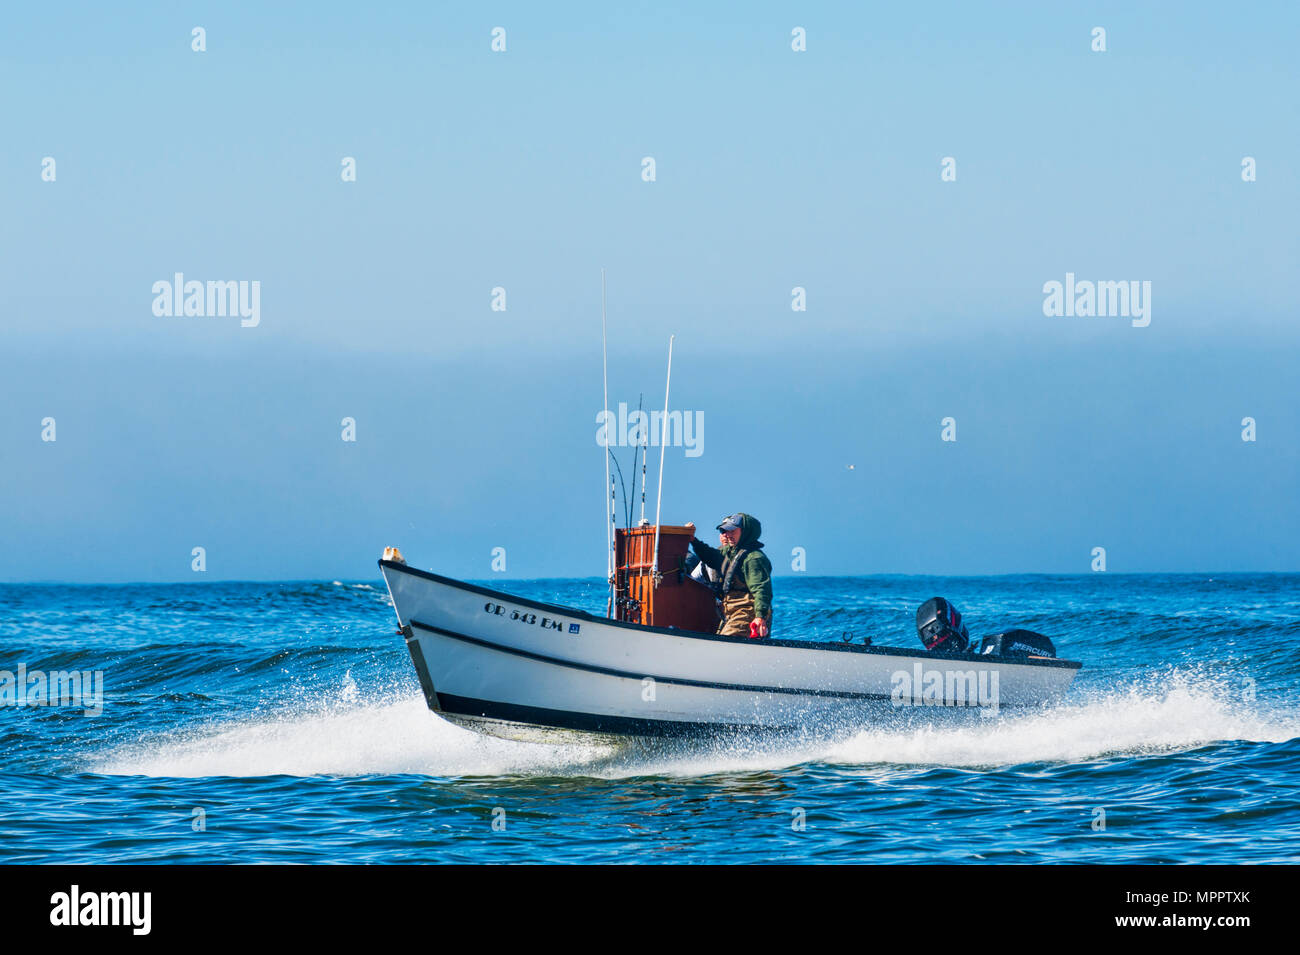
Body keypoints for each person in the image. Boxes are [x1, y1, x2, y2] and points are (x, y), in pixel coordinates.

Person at [685, 513, 773, 638]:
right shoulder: (729, 553)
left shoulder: (753, 559)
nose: (727, 534)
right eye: (724, 531)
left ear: (745, 532)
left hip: (747, 611)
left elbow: (762, 590)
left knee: (721, 645)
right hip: (731, 611)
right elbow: (711, 556)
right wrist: (693, 540)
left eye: (732, 530)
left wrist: (760, 617)